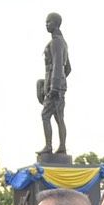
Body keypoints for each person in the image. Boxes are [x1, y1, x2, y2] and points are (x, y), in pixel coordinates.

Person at [39, 12, 71, 157]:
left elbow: (59, 65)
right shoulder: (62, 42)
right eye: (46, 22)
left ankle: (49, 146)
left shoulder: (57, 42)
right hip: (57, 84)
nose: (46, 25)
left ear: (56, 24)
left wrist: (55, 86)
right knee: (59, 117)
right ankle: (62, 146)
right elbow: (68, 68)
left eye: (49, 22)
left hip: (55, 87)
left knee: (45, 115)